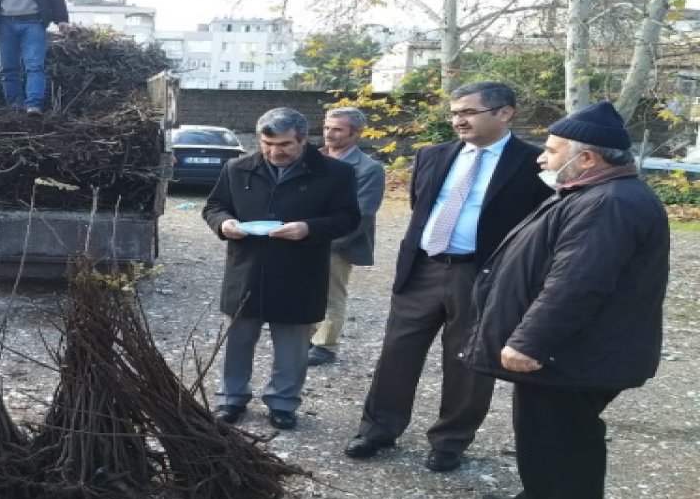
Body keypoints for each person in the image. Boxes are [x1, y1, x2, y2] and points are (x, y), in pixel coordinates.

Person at [463, 101, 668, 499]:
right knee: (539, 427)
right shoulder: (588, 193)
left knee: (567, 437)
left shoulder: (609, 203)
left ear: (588, 158)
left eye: (553, 150)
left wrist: (529, 340)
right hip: (567, 350)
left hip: (575, 352)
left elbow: (577, 283)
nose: (543, 157)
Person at [345, 81, 552, 471]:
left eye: (468, 112)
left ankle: (450, 441)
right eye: (455, 113)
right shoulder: (432, 155)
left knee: (469, 362)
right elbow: (420, 207)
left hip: (481, 275)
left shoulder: (532, 163)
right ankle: (378, 429)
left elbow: (541, 226)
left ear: (504, 112)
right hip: (423, 267)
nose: (458, 120)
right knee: (397, 353)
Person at [202, 107, 361, 430]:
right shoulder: (237, 168)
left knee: (292, 345)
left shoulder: (335, 173)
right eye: (268, 143)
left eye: (285, 145)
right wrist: (224, 224)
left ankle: (283, 402)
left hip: (299, 270)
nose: (276, 152)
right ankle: (231, 399)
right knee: (238, 340)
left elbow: (348, 218)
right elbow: (214, 206)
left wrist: (309, 228)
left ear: (303, 140)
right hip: (247, 268)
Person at [308, 107, 386, 367]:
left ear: (356, 133)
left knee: (331, 294)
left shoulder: (369, 169)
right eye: (327, 127)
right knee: (304, 289)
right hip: (304, 238)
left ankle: (325, 345)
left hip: (335, 245)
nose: (329, 134)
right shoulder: (312, 158)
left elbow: (362, 214)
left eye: (337, 129)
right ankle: (305, 337)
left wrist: (327, 242)